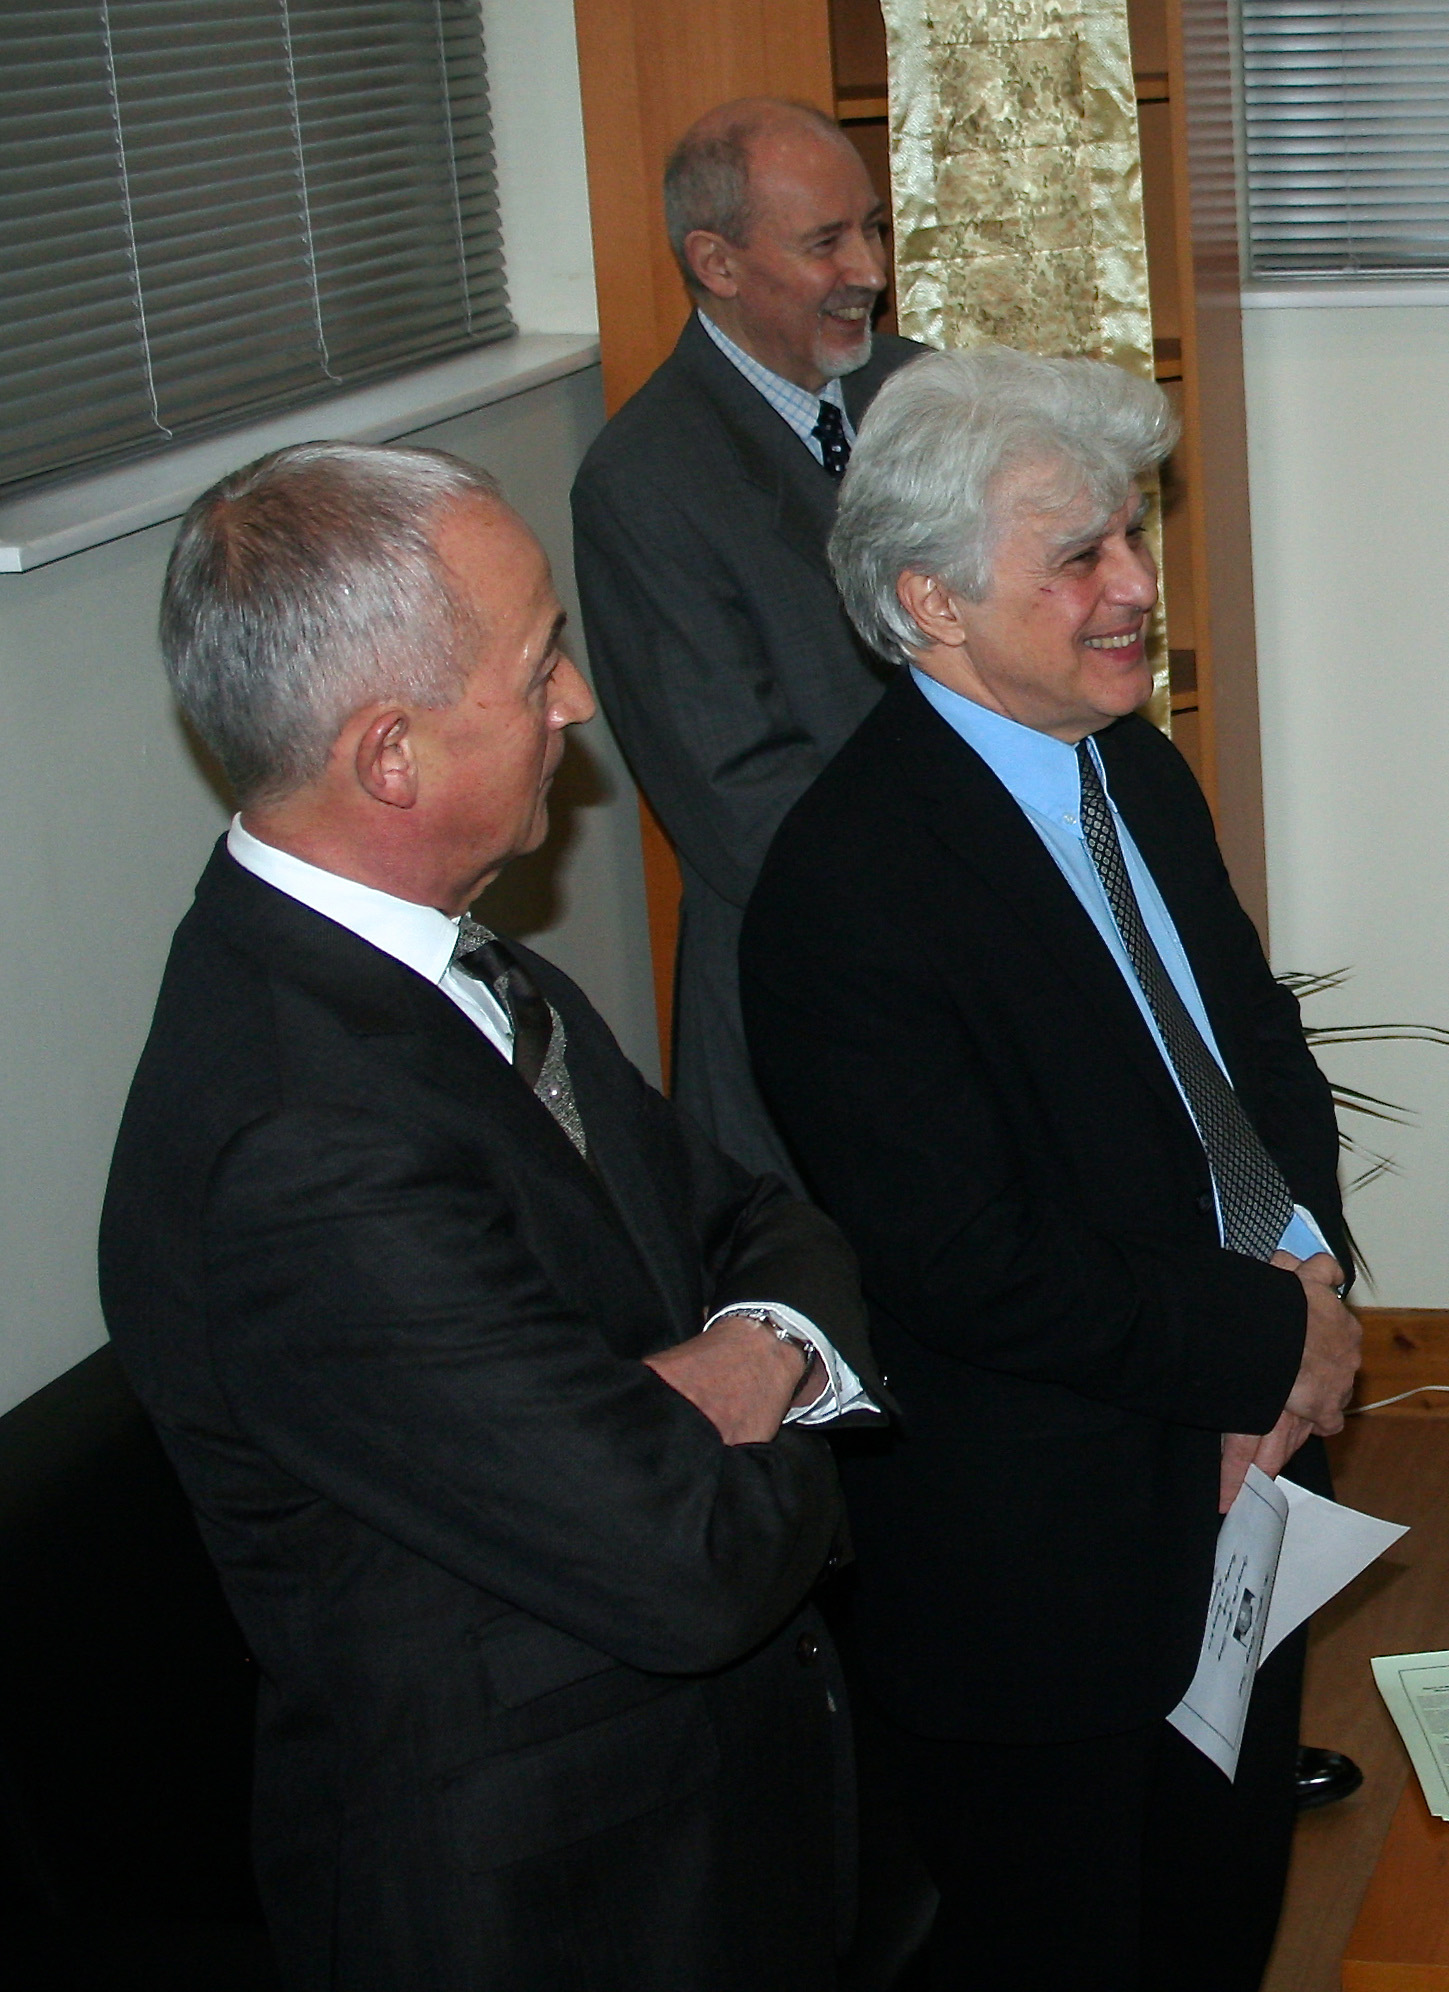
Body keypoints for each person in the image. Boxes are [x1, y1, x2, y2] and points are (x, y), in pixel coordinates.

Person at [101, 442, 887, 1989]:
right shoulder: (300, 1145)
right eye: (537, 669)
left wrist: (753, 1357)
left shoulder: (450, 962)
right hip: (564, 1905)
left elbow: (758, 1216)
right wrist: (788, 1375)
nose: (577, 701)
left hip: (702, 1829)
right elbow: (688, 1567)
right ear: (390, 756)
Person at [740, 348, 1364, 1989]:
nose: (1137, 585)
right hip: (1048, 1563)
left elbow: (1255, 1048)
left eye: (1131, 536)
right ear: (930, 602)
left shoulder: (1134, 766)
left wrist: (1309, 1271)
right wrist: (1267, 1342)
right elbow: (965, 1257)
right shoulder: (845, 890)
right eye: (1080, 554)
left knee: (1223, 1917)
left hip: (1247, 1477)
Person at [570, 97, 926, 1184]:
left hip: (976, 966)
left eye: (872, 228)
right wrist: (972, 898)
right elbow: (743, 808)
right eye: (826, 242)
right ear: (715, 263)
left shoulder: (926, 393)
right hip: (817, 998)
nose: (868, 270)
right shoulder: (645, 481)